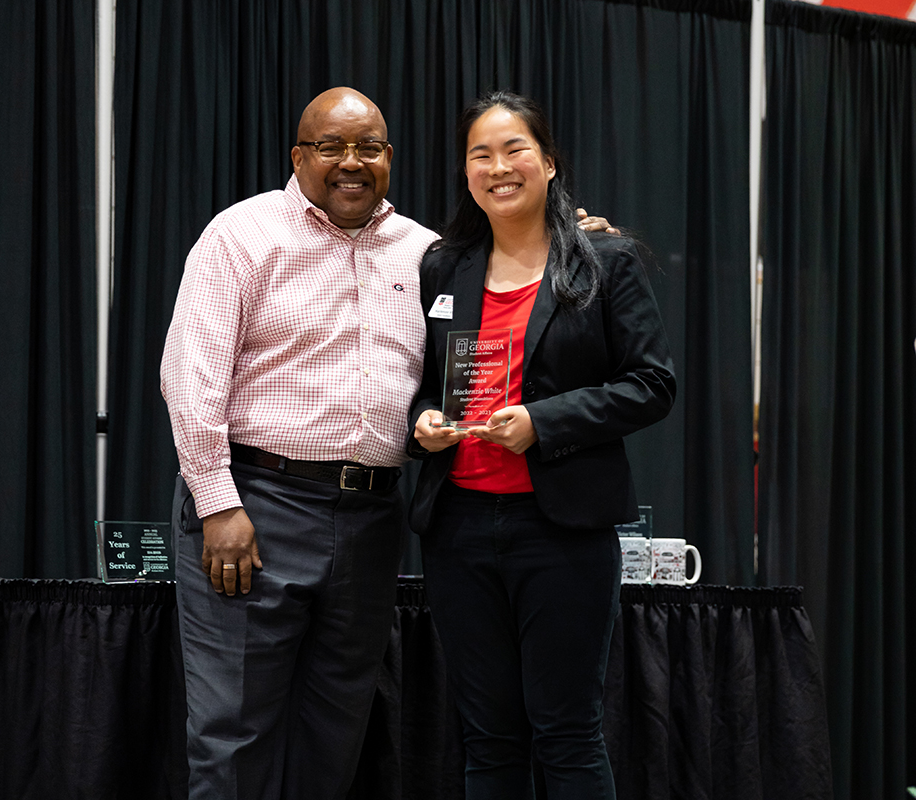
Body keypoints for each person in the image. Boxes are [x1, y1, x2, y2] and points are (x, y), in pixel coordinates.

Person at [161, 85, 616, 800]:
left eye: (367, 147)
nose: (351, 162)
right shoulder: (241, 235)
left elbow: (500, 298)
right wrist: (217, 502)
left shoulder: (430, 254)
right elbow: (190, 379)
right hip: (255, 506)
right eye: (331, 147)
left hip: (371, 520)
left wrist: (569, 237)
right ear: (298, 156)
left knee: (334, 732)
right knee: (234, 734)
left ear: (389, 158)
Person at [407, 91, 676, 799]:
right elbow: (428, 385)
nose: (498, 167)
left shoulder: (604, 263)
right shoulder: (443, 267)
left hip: (559, 531)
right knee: (488, 737)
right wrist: (425, 424)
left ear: (549, 163)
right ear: (465, 173)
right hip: (459, 531)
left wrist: (543, 421)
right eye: (480, 155)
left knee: (565, 730)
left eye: (514, 149)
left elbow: (653, 384)